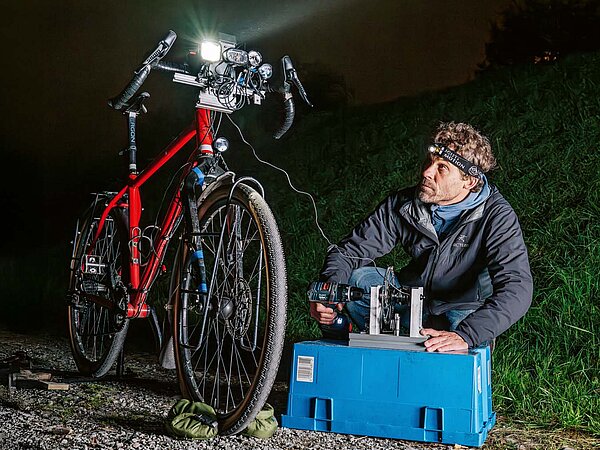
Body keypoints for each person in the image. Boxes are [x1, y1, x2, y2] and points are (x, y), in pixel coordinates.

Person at [310, 122, 533, 352]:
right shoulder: (403, 203)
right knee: (357, 279)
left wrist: (467, 334)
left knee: (460, 349)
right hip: (412, 299)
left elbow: (517, 287)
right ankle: (392, 344)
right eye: (429, 161)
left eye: (442, 168)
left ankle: (440, 341)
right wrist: (329, 289)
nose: (427, 172)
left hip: (463, 308)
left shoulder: (496, 216)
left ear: (469, 181)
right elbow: (350, 251)